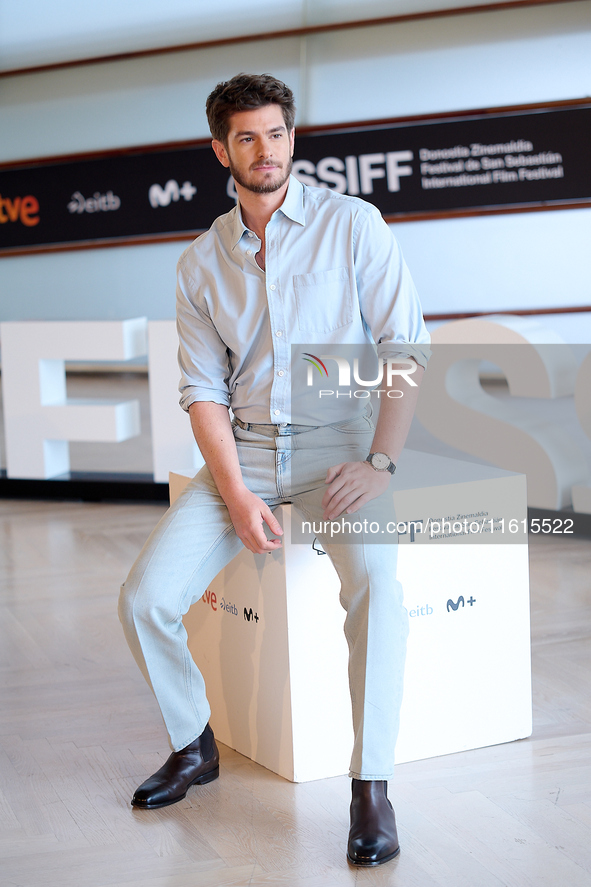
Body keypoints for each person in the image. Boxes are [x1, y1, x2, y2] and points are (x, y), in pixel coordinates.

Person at [118, 72, 430, 867]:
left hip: (341, 445)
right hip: (247, 452)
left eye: (278, 133)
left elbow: (404, 347)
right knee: (145, 597)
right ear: (220, 149)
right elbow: (203, 390)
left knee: (377, 593)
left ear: (293, 136)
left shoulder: (352, 223)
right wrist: (232, 489)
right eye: (248, 137)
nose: (267, 151)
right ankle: (195, 743)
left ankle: (371, 786)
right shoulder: (198, 262)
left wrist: (381, 460)